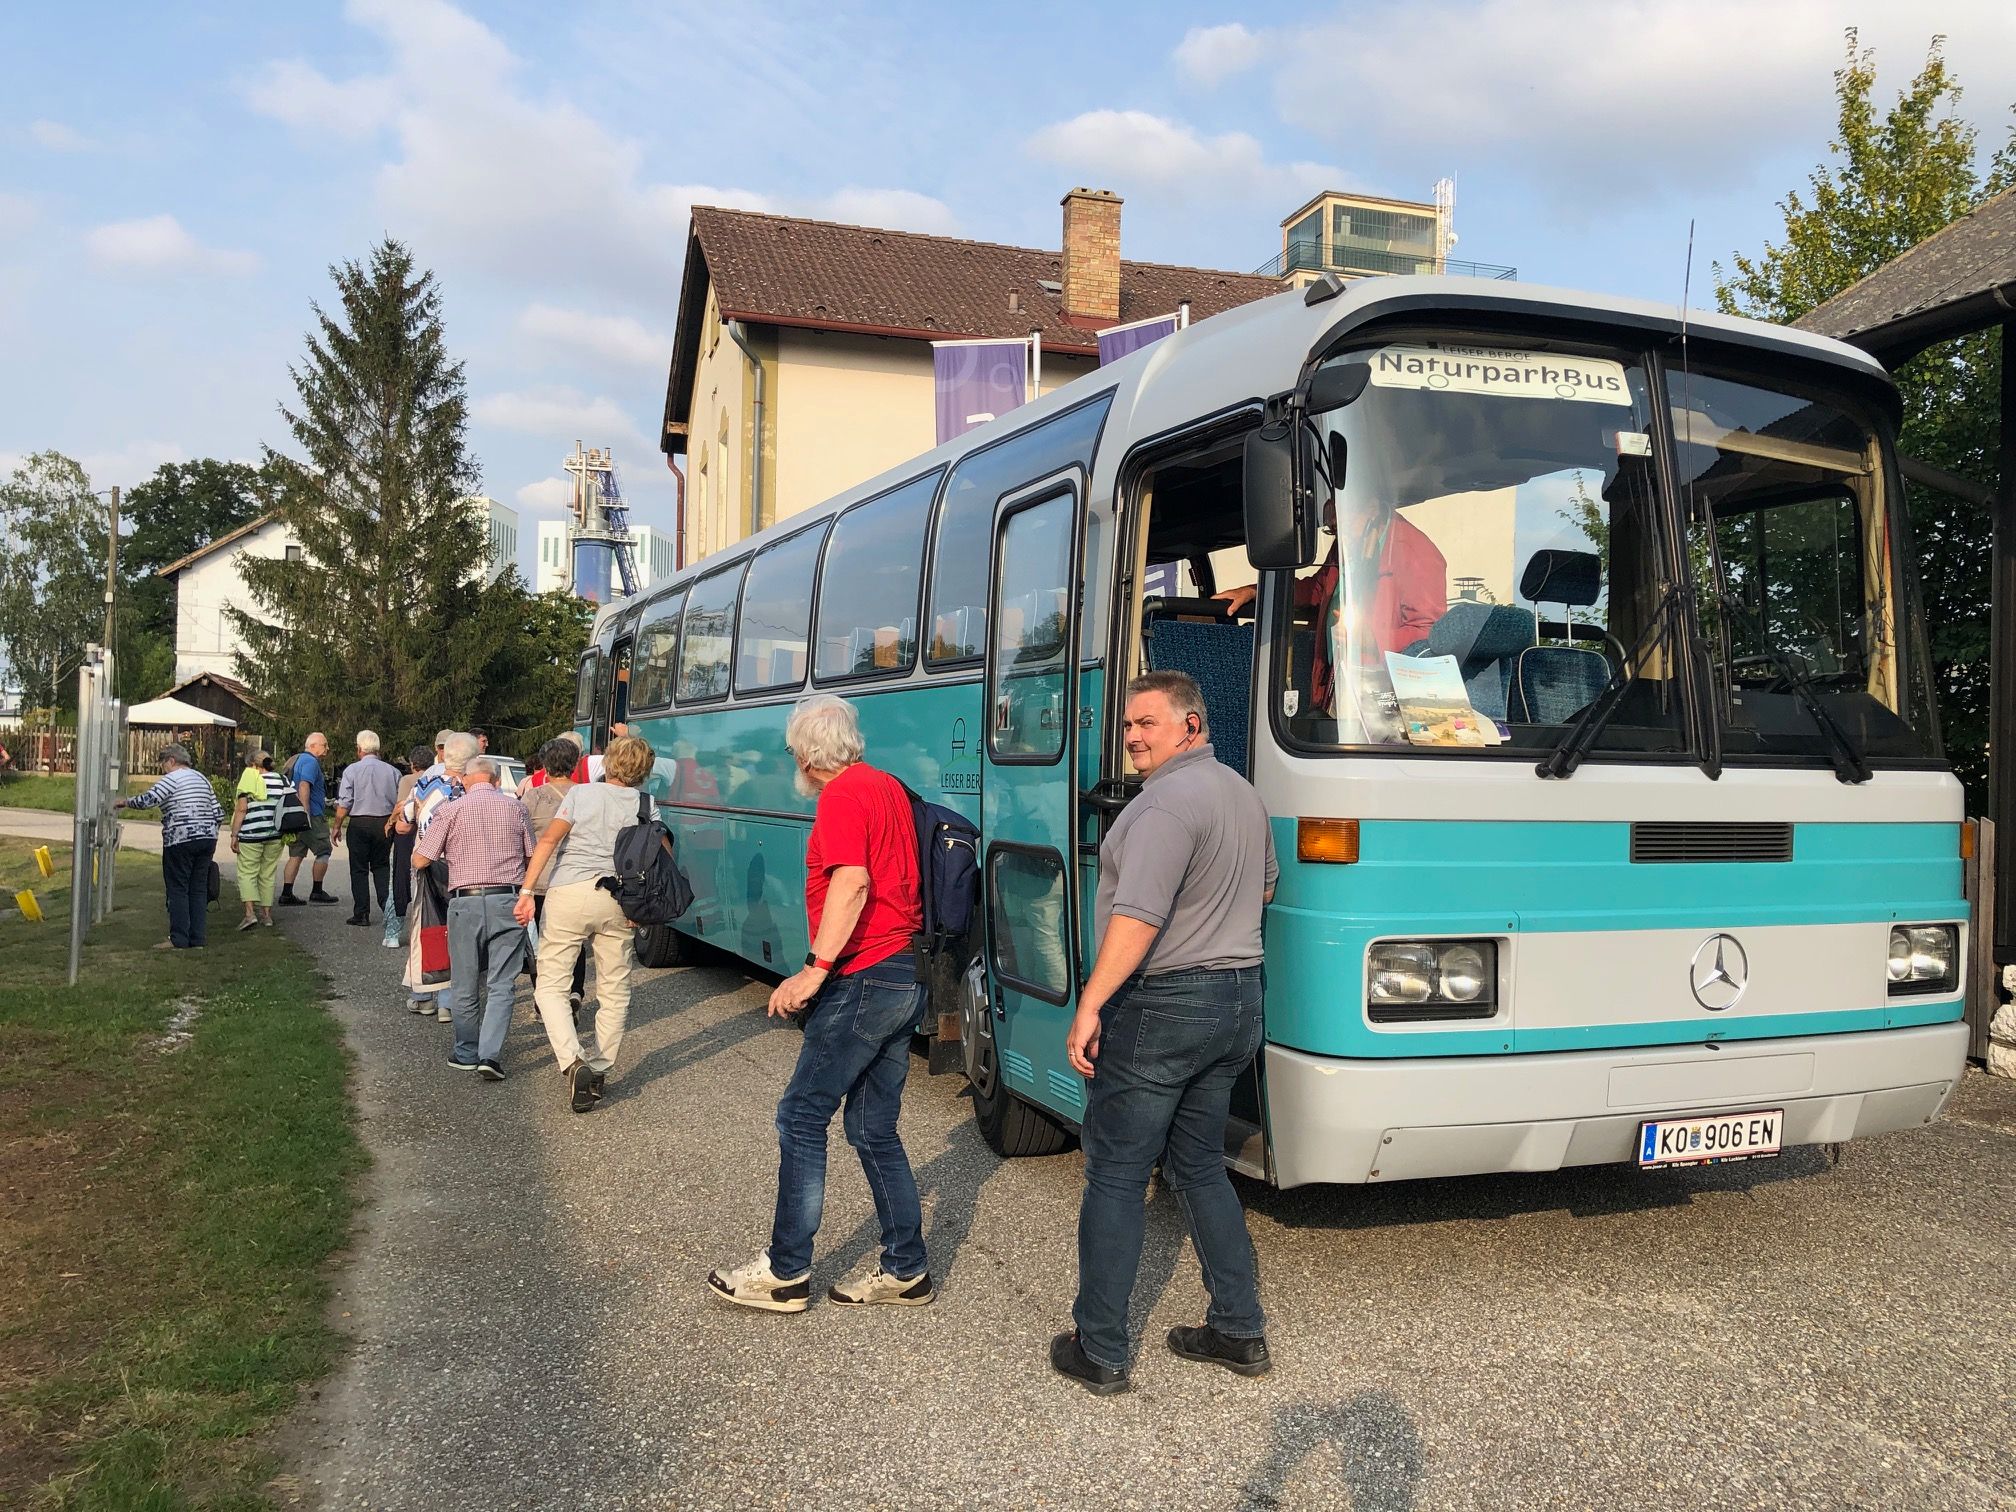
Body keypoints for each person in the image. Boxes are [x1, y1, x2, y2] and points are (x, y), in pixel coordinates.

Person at [1050, 671, 1277, 1395]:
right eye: (1127, 727)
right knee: (1201, 1165)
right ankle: (1238, 1330)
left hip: (1167, 1004)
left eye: (1148, 723)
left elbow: (1138, 916)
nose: (1134, 738)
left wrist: (1089, 1005)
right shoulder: (1242, 794)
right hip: (1238, 998)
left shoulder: (1161, 809)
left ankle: (1102, 1348)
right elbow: (1265, 885)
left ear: (1191, 723)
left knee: (1115, 1170)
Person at [706, 696, 933, 1313]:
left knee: (801, 1117)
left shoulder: (840, 797)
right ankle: (905, 1268)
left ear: (807, 756)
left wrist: (813, 971)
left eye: (791, 755)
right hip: (904, 973)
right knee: (872, 1129)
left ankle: (785, 1272)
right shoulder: (885, 785)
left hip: (863, 977)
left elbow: (852, 881)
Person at [512, 734, 661, 1113]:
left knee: (551, 985)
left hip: (569, 892)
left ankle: (572, 1059)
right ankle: (598, 1067)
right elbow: (660, 856)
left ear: (608, 762)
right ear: (645, 771)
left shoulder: (580, 794)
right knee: (615, 990)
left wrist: (527, 891)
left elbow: (547, 842)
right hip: (620, 900)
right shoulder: (647, 804)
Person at [1214, 497, 1448, 713]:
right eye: (1332, 530)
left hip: (1383, 700)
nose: (1338, 537)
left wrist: (1373, 638)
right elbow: (1317, 589)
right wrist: (1256, 591)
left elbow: (1430, 634)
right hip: (1337, 683)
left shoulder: (1415, 551)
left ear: (1373, 508)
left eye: (1340, 527)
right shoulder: (1349, 543)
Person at [414, 751, 532, 1078]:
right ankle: (490, 1055)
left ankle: (466, 1050)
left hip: (464, 903)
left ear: (466, 780)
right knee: (501, 982)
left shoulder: (450, 811)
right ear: (496, 780)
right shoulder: (517, 808)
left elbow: (421, 860)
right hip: (507, 900)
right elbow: (532, 856)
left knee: (465, 981)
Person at [117, 744, 223, 951]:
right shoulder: (202, 779)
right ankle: (198, 939)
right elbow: (218, 812)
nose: (162, 769)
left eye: (163, 764)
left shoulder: (171, 779)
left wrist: (125, 802)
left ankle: (179, 938)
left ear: (171, 761)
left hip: (180, 838)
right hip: (207, 838)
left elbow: (149, 800)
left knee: (178, 889)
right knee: (198, 889)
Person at [519, 736, 589, 1023]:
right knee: (575, 939)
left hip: (541, 882)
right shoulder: (588, 794)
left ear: (545, 765)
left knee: (542, 944)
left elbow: (521, 839)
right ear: (574, 765)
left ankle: (543, 1001)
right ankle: (574, 990)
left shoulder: (533, 798)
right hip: (578, 879)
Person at [400, 733, 469, 1019]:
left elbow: (405, 821)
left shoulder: (425, 783)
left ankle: (423, 994)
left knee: (427, 928)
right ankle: (448, 1001)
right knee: (457, 931)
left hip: (427, 863)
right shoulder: (472, 788)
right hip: (462, 866)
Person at [334, 730, 400, 928]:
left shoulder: (351, 771)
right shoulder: (393, 771)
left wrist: (337, 825)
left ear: (359, 749)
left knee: (359, 869)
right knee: (381, 867)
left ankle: (361, 912)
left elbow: (345, 801)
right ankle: (388, 909)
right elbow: (399, 801)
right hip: (384, 822)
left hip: (360, 822)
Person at [278, 731, 340, 906]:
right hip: (311, 815)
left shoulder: (297, 760)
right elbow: (304, 785)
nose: (327, 748)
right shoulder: (311, 762)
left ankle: (286, 893)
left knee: (296, 854)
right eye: (324, 744)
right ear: (313, 746)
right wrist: (306, 812)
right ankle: (317, 890)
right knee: (324, 851)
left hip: (296, 816)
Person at [228, 749, 288, 930]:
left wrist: (234, 834)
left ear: (253, 765)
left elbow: (242, 809)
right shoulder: (282, 780)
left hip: (251, 834)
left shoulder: (249, 779)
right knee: (267, 874)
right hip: (275, 833)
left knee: (247, 873)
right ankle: (267, 916)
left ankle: (249, 914)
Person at [385, 742, 433, 949]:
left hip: (407, 833)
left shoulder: (408, 781)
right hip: (428, 835)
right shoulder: (436, 779)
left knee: (398, 882)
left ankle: (393, 932)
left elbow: (401, 807)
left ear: (413, 764)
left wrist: (389, 823)